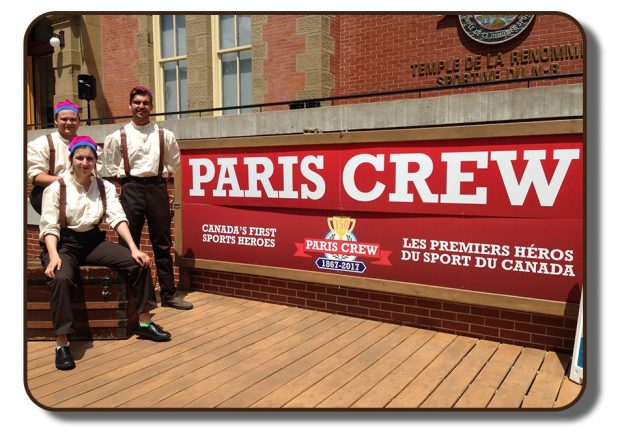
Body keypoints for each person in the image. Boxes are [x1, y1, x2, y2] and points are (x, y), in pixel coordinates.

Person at [40, 136, 171, 371]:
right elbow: (48, 226)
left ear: (95, 161)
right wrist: (54, 254)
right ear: (71, 159)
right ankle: (61, 343)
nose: (84, 162)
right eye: (79, 158)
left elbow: (117, 218)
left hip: (92, 241)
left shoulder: (104, 186)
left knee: (137, 263)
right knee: (60, 277)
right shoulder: (56, 187)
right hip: (63, 243)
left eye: (89, 158)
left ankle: (144, 323)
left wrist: (133, 248)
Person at [102, 86, 192, 310]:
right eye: (137, 102)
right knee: (127, 243)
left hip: (157, 189)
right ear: (130, 105)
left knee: (162, 243)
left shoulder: (164, 135)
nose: (141, 106)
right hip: (130, 188)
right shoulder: (117, 136)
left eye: (145, 103)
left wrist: (161, 178)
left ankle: (169, 294)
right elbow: (109, 166)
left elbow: (175, 163)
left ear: (151, 106)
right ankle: (129, 294)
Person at [27, 99, 80, 214]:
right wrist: (70, 182)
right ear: (55, 120)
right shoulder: (41, 144)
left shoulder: (88, 146)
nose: (69, 123)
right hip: (52, 198)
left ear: (79, 121)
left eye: (73, 119)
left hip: (81, 198)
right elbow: (36, 177)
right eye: (64, 119)